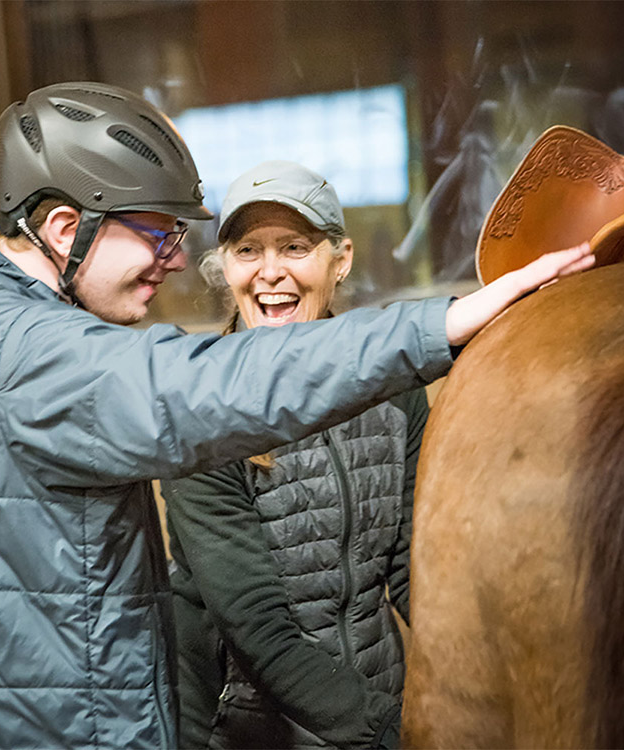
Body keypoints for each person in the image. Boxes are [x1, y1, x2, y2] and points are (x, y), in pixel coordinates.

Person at [0, 81, 594, 750]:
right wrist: (442, 323)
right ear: (67, 228)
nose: (170, 261)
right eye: (157, 234)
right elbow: (211, 387)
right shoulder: (29, 351)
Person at [162, 160, 424, 750]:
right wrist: (391, 730)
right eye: (248, 250)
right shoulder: (202, 410)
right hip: (249, 728)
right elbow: (258, 627)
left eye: (295, 247)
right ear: (225, 267)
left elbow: (412, 569)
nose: (270, 272)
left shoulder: (394, 390)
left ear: (342, 259)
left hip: (379, 697)